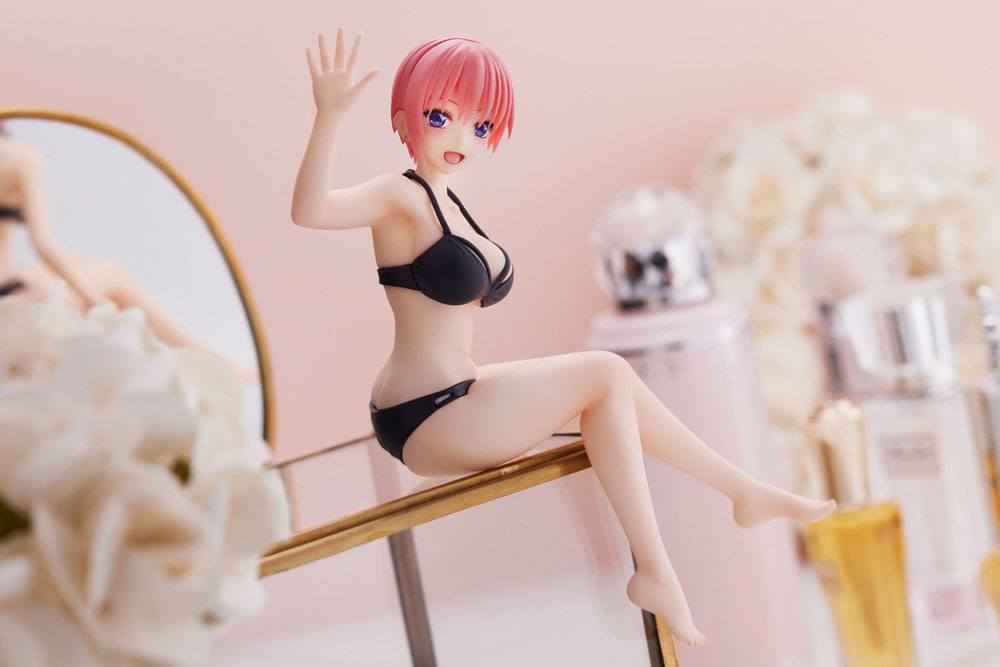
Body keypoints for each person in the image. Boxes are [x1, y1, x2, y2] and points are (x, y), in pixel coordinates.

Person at [290, 29, 835, 647]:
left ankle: (733, 499)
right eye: (440, 117)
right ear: (402, 119)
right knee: (603, 373)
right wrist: (328, 117)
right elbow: (311, 210)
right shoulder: (400, 195)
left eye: (479, 125)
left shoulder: (451, 201)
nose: (461, 138)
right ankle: (674, 554)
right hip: (423, 416)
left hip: (456, 391)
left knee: (611, 383)